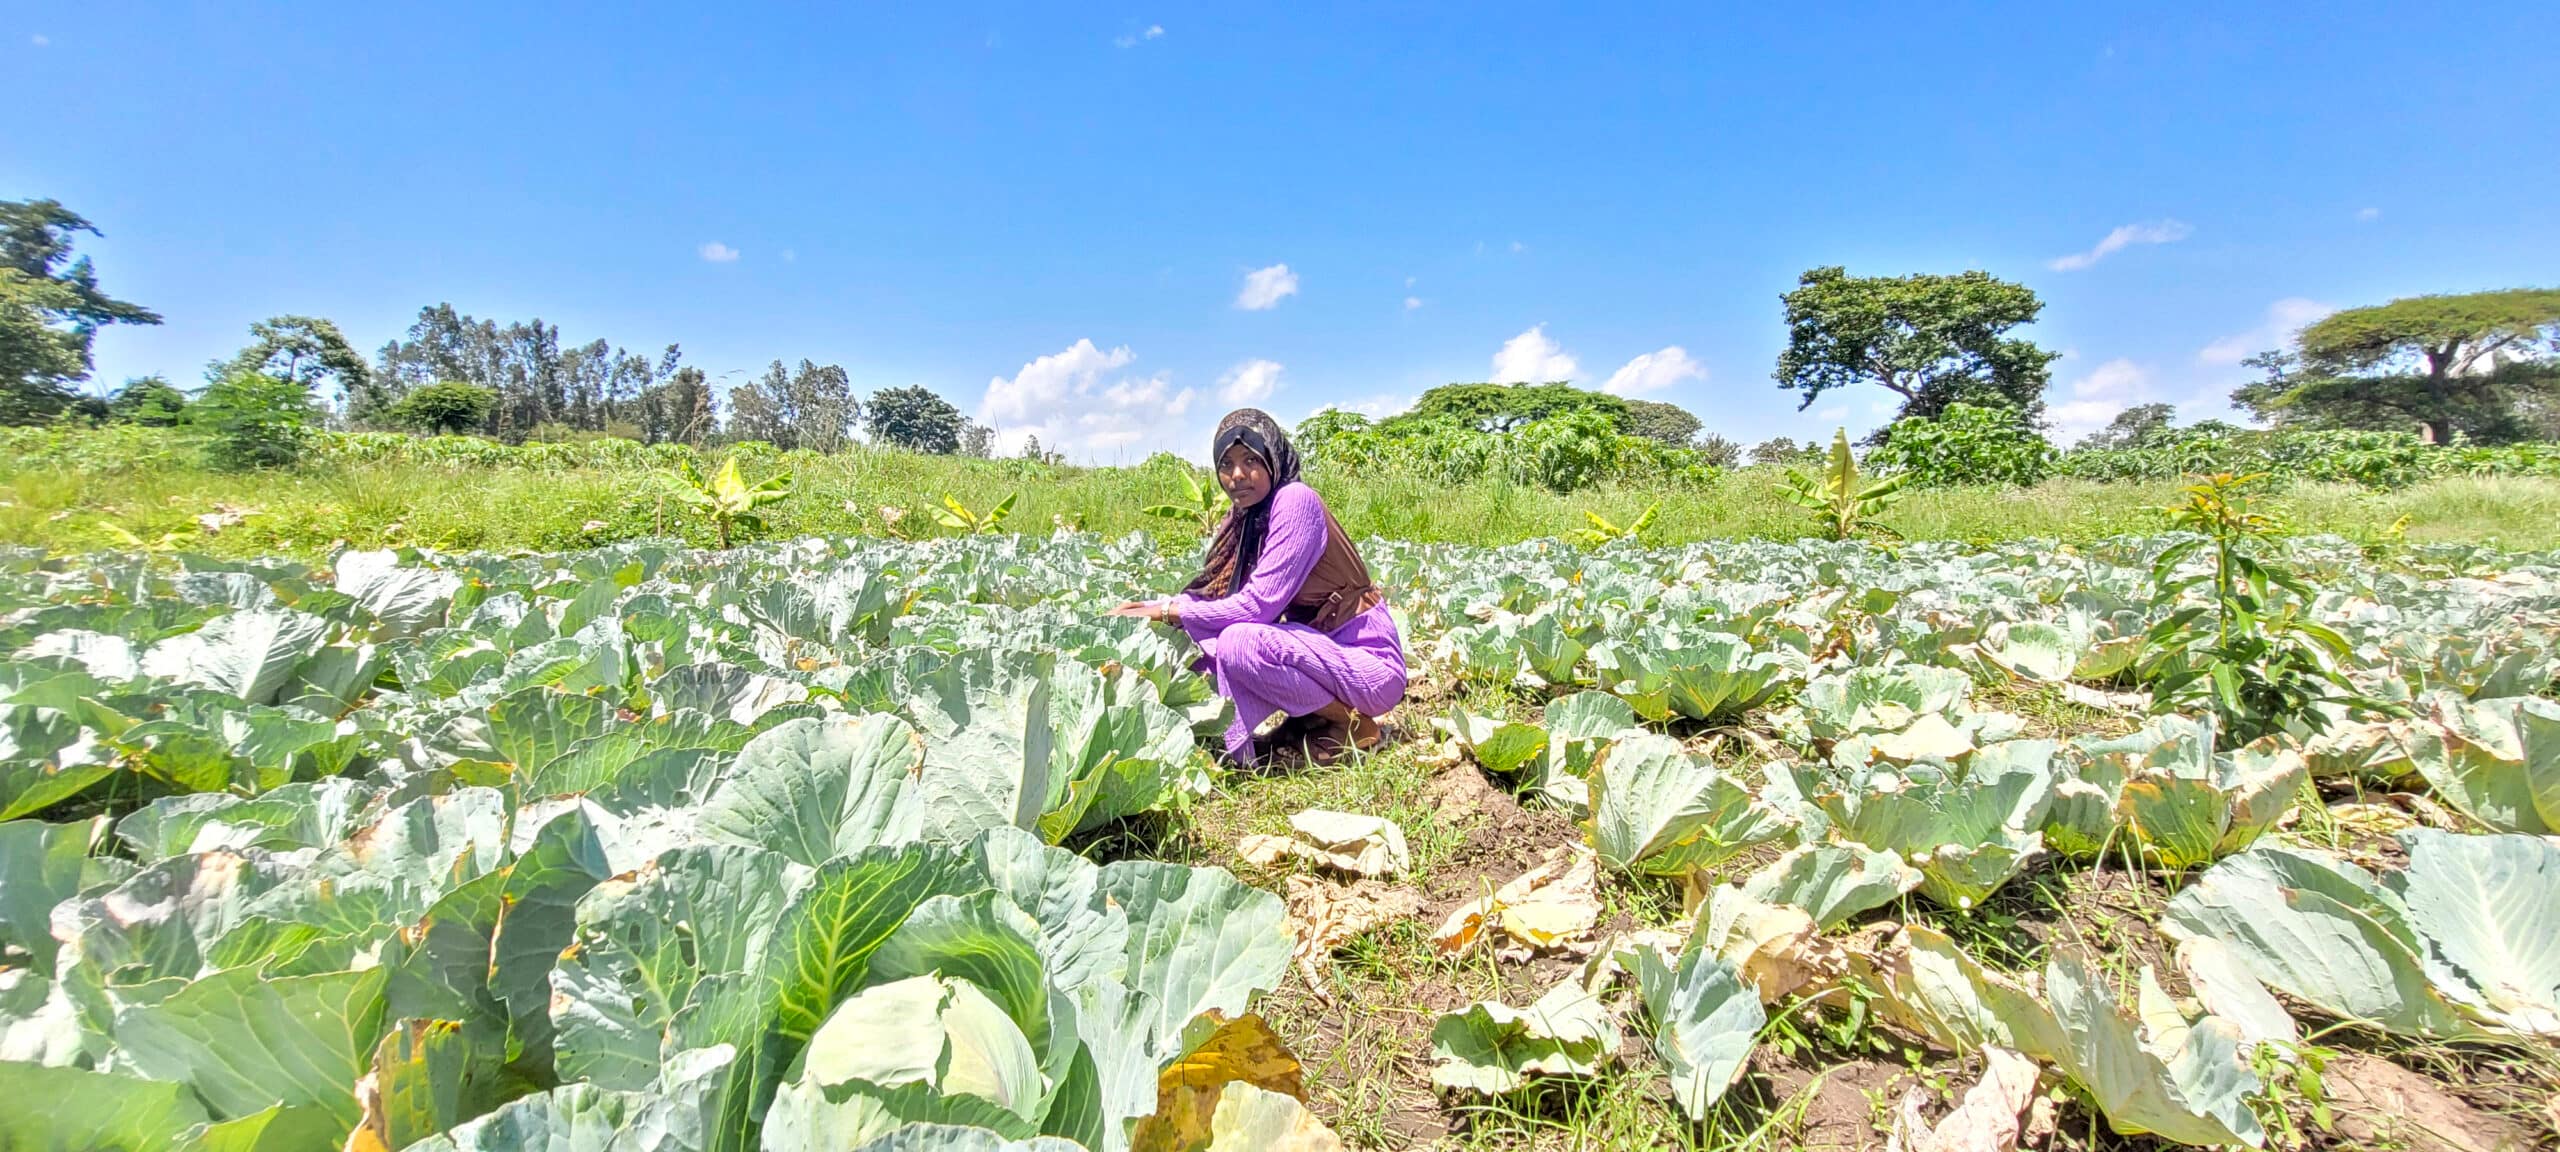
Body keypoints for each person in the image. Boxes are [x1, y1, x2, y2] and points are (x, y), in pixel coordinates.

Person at [1111, 409, 1406, 765]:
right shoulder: (1247, 519)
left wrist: (1168, 611)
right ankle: (1288, 727)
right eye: (1226, 463)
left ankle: (1351, 723)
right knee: (1205, 649)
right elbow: (1218, 597)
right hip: (1319, 652)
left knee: (1239, 643)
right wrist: (1154, 606)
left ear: (1272, 458)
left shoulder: (1295, 501)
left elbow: (1257, 607)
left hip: (1370, 667)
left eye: (1251, 459)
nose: (1237, 475)